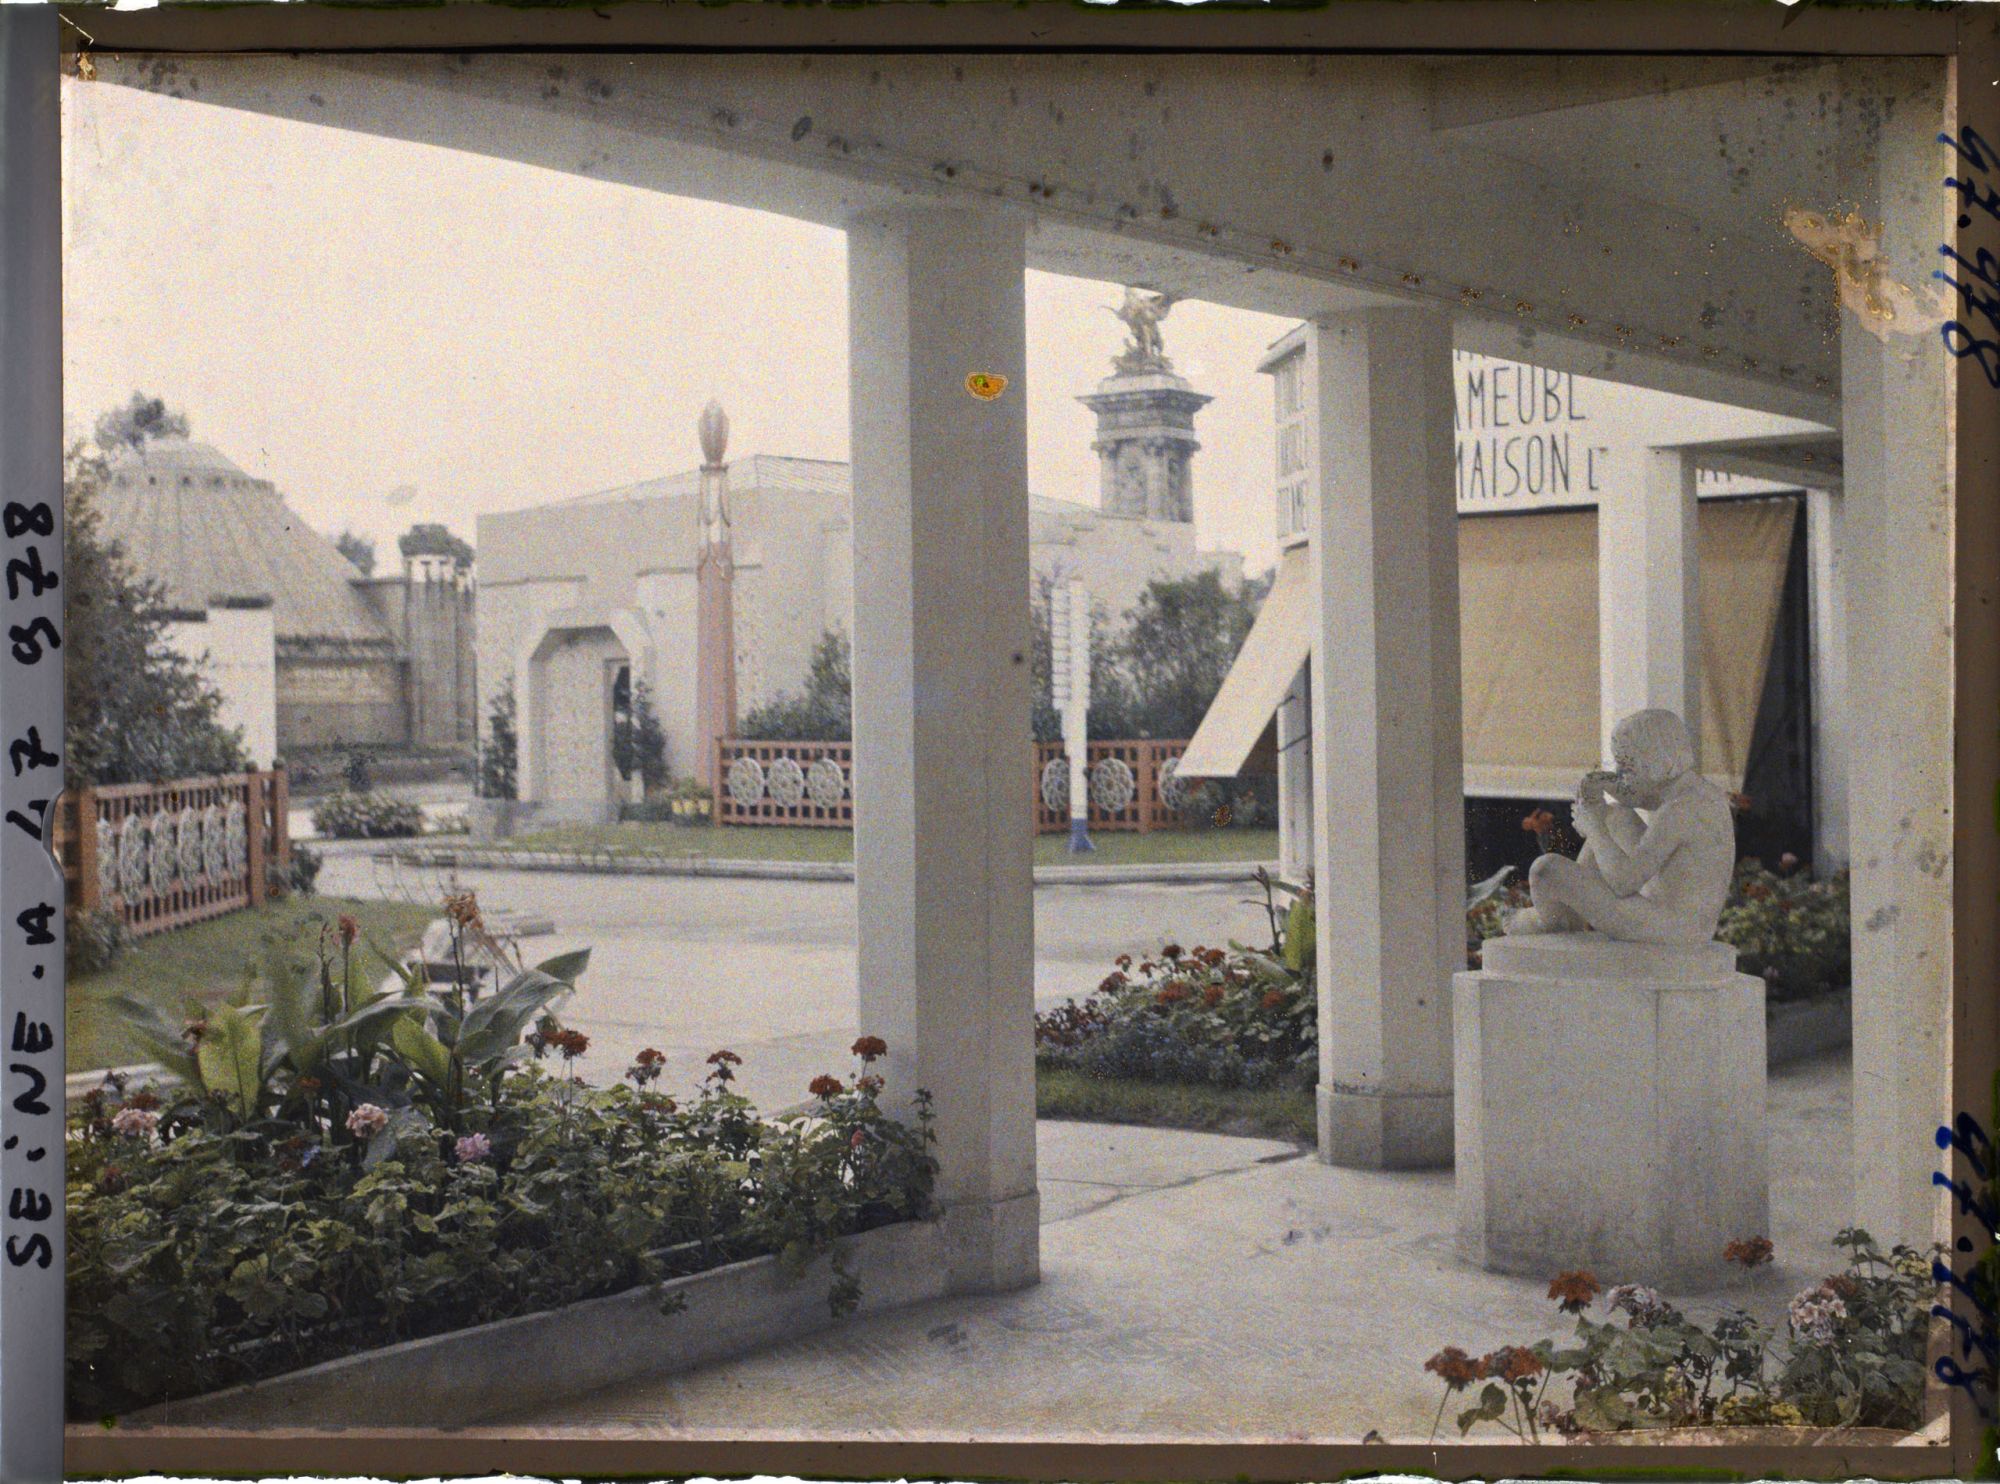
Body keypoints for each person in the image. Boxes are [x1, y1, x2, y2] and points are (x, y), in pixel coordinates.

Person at [1504, 708, 1734, 944]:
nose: (1620, 774)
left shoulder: (1679, 810)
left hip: (1673, 929)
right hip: (1683, 917)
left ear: (1651, 761)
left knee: (1546, 870)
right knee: (1615, 816)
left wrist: (1593, 827)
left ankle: (1553, 920)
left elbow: (1623, 883)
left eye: (1625, 766)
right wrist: (1604, 785)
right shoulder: (1700, 793)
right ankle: (1570, 908)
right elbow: (1644, 797)